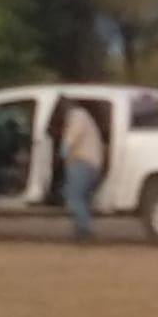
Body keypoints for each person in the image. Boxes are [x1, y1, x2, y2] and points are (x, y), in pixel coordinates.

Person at [53, 97, 104, 242]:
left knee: (74, 198)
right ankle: (80, 231)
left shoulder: (78, 116)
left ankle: (85, 231)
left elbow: (72, 137)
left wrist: (63, 151)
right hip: (89, 163)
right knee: (81, 200)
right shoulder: (82, 116)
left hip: (83, 163)